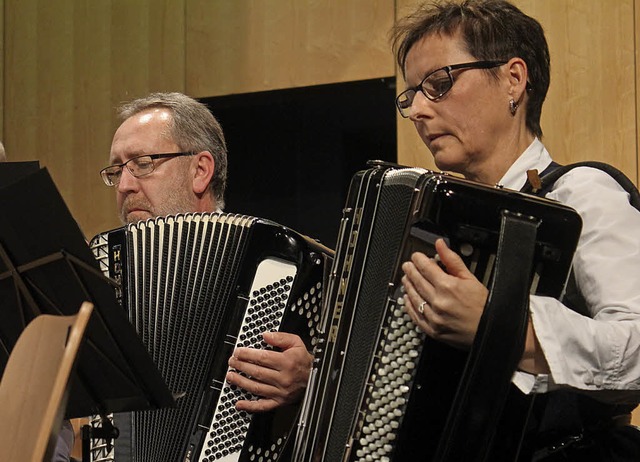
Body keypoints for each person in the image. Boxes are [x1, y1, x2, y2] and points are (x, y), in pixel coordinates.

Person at [392, 1, 640, 460]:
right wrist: (319, 379)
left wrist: (502, 327)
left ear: (513, 79)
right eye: (411, 96)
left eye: (438, 84)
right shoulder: (433, 225)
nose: (419, 110)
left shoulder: (581, 194)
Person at [73, 92, 312, 460]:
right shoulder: (107, 264)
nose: (124, 186)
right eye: (117, 170)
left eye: (143, 163)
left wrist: (309, 378)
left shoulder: (277, 259)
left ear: (201, 170)